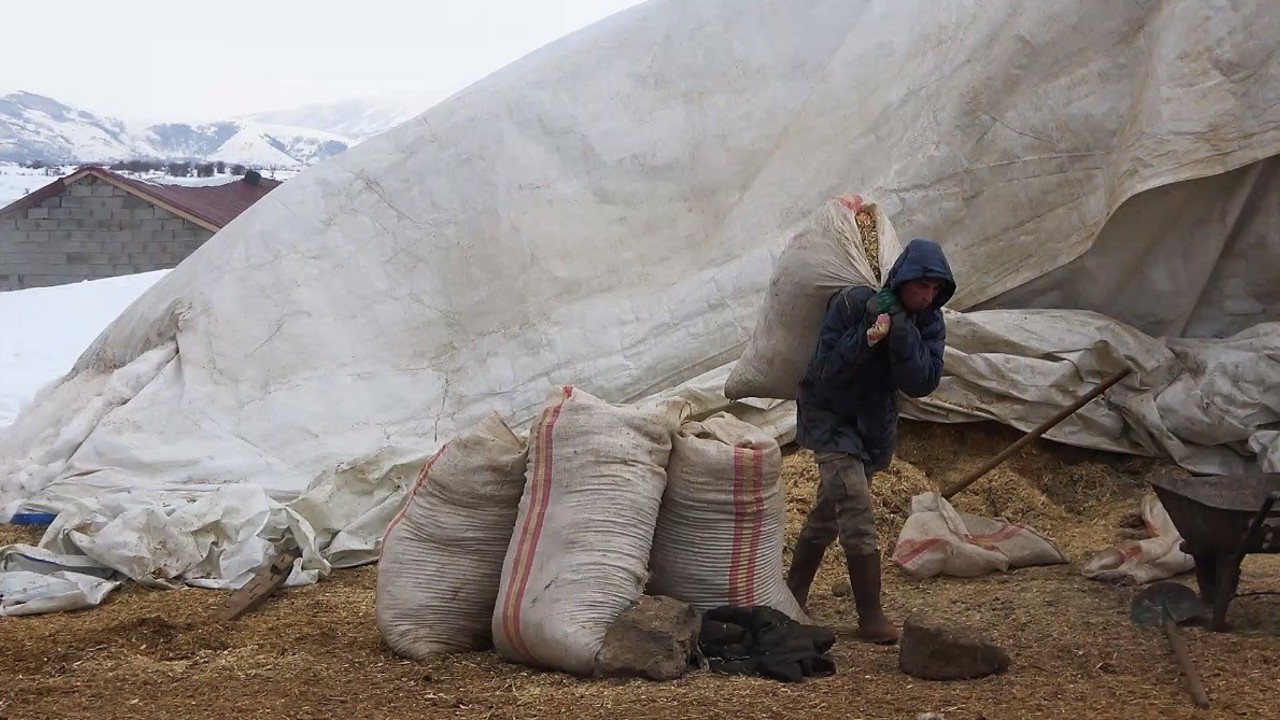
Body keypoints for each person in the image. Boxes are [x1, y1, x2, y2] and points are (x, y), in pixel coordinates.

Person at [786, 238, 956, 644]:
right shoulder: (852, 304)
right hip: (830, 416)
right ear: (902, 280)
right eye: (921, 287)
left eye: (934, 290)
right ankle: (870, 614)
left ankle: (791, 595)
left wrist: (900, 334)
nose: (927, 296)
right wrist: (868, 336)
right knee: (856, 511)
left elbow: (922, 382)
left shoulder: (928, 322)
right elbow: (826, 372)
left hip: (872, 426)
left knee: (829, 511)